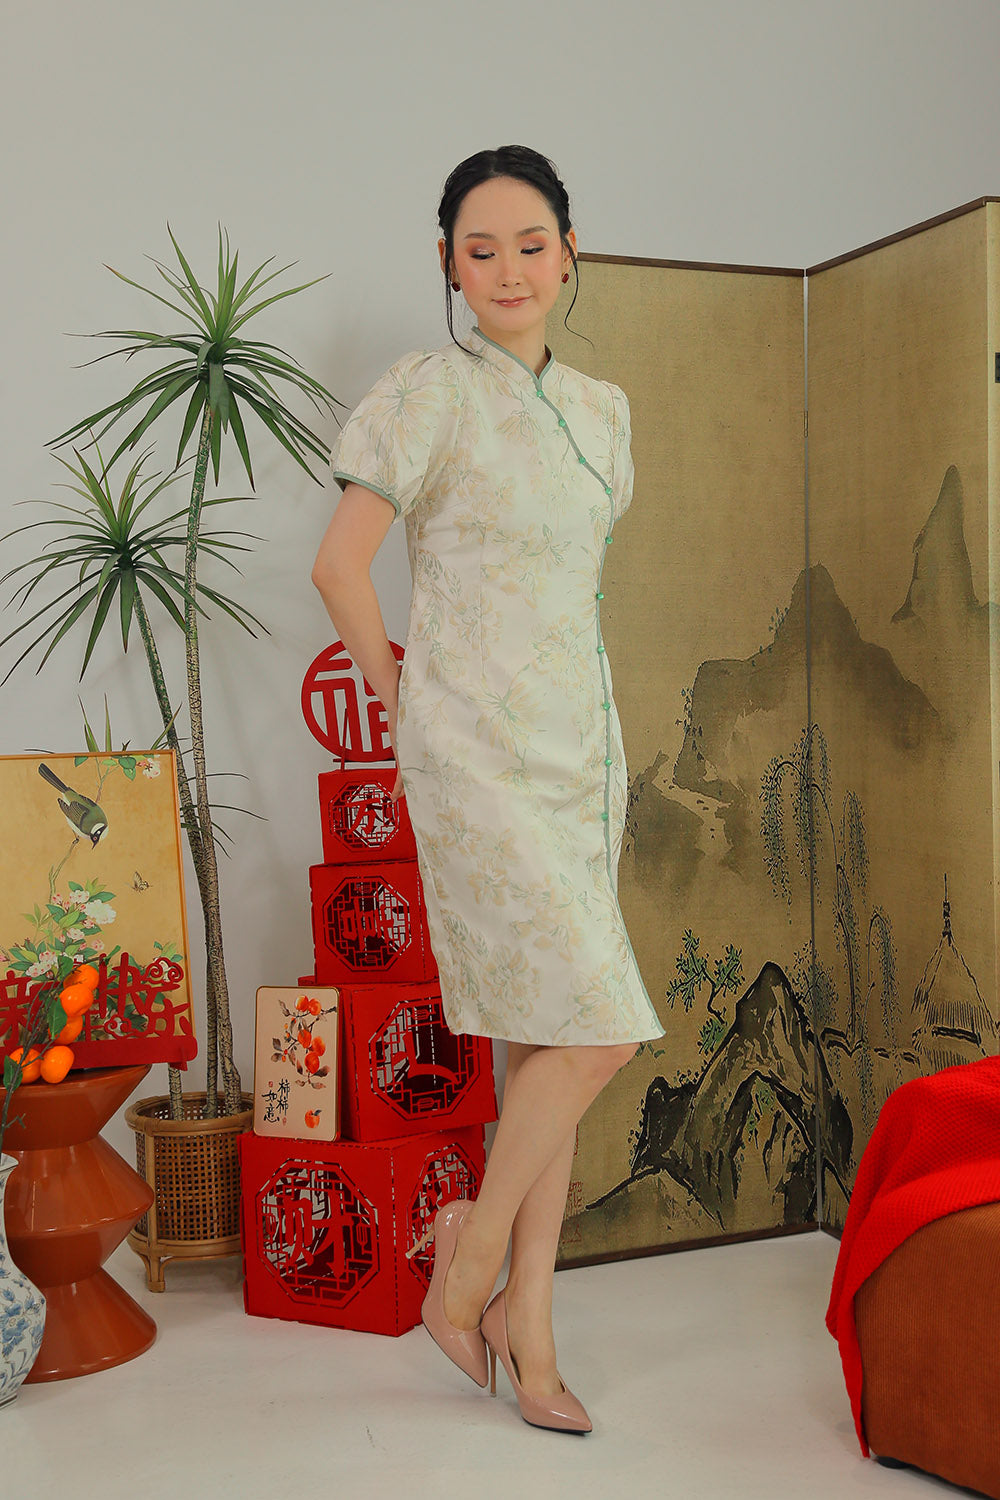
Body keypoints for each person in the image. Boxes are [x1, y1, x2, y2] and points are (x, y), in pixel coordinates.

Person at [312, 144, 665, 1433]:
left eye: (531, 244)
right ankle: (462, 1279)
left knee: (546, 1038)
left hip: (584, 755)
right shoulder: (426, 393)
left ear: (571, 254)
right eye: (480, 250)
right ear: (449, 266)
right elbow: (341, 567)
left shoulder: (605, 412)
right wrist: (402, 697)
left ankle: (536, 1333)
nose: (509, 270)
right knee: (600, 1030)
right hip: (475, 752)